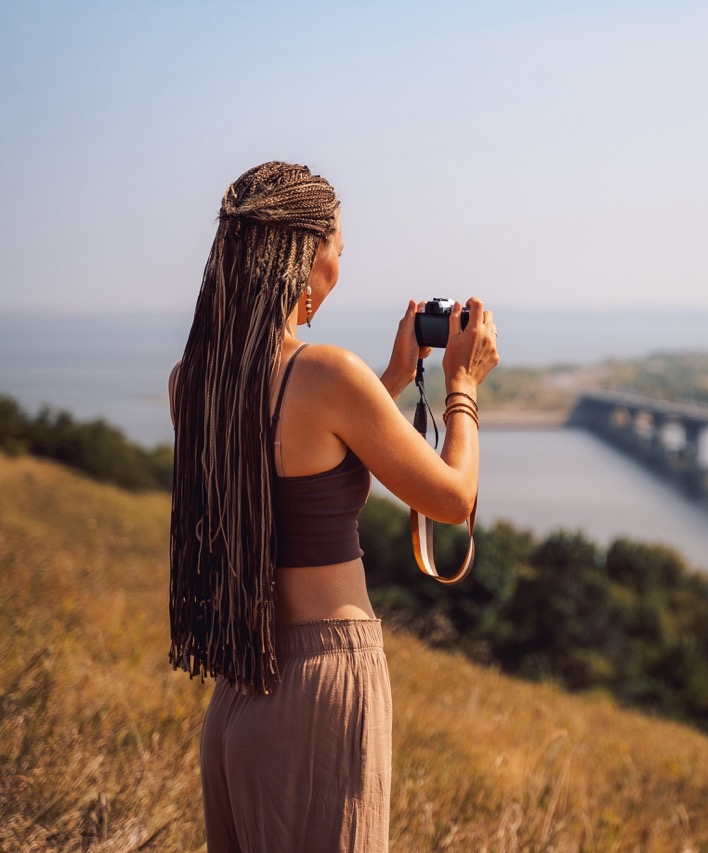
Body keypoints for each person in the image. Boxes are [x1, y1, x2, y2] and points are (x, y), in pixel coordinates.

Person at [167, 161, 499, 851]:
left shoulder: (191, 380)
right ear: (311, 253)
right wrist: (462, 385)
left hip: (238, 693)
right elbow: (451, 496)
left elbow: (292, 464)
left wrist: (394, 379)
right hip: (322, 684)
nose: (340, 268)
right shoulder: (326, 373)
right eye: (340, 252)